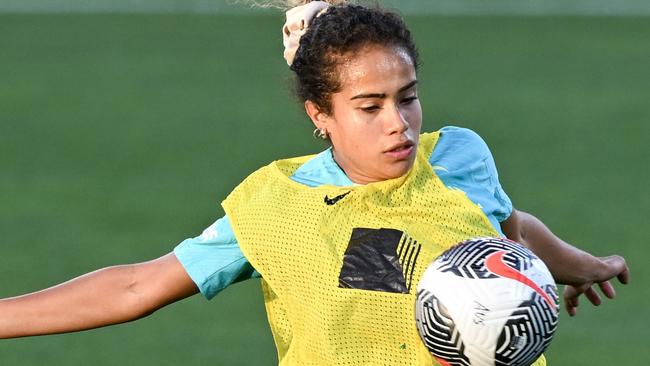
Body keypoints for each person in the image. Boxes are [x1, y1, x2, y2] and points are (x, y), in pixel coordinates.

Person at [0, 1, 629, 365]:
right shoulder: (276, 206)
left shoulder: (461, 157)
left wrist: (581, 266)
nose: (399, 125)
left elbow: (509, 232)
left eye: (407, 99)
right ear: (320, 115)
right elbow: (139, 285)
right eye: (370, 106)